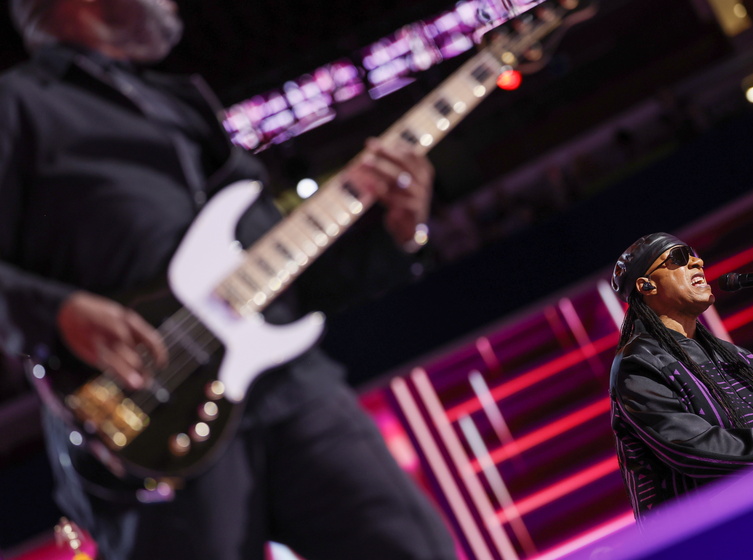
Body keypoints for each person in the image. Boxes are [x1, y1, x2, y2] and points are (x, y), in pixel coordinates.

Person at [0, 0, 458, 558]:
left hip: (290, 388)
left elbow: (297, 292)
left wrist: (393, 231)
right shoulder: (17, 105)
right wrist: (57, 314)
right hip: (150, 422)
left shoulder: (176, 102)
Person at [609, 232, 753, 519]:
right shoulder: (638, 363)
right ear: (646, 285)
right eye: (679, 258)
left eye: (694, 254)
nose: (698, 262)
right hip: (715, 533)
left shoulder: (735, 355)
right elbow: (692, 449)